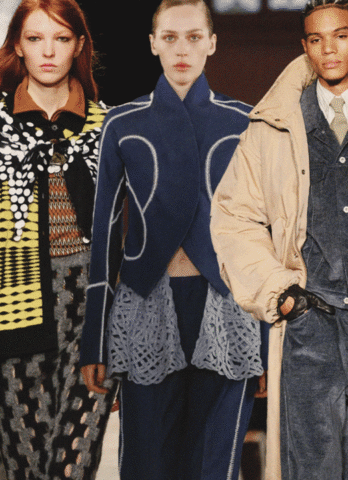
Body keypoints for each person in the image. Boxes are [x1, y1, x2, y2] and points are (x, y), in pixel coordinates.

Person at [80, 1, 264, 478]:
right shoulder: (122, 124)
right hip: (146, 302)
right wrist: (93, 345)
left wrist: (266, 342)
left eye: (194, 37)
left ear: (212, 43)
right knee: (146, 464)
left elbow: (262, 236)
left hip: (226, 305)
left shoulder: (246, 121)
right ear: (153, 43)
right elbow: (104, 238)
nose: (182, 49)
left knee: (214, 465)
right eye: (170, 37)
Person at [0, 1, 115, 478]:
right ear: (18, 46)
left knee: (74, 468)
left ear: (79, 46)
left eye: (61, 39)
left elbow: (125, 237)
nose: (48, 51)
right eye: (36, 38)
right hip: (15, 314)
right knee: (28, 468)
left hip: (93, 317)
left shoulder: (109, 127)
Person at [211, 1, 348, 478]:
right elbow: (234, 214)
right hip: (312, 324)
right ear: (305, 47)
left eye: (342, 35)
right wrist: (283, 295)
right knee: (312, 468)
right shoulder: (275, 124)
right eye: (316, 39)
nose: (329, 49)